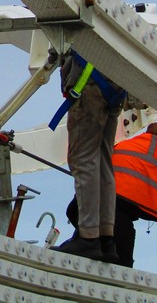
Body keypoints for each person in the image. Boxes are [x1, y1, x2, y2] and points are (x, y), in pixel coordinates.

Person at [64, 123, 157, 267]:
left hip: (89, 199)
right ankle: (118, 261)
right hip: (123, 199)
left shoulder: (125, 144)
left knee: (91, 233)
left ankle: (84, 245)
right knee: (121, 251)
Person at [49, 49, 127, 262]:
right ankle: (105, 237)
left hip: (90, 81)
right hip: (114, 85)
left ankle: (89, 237)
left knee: (83, 159)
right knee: (102, 161)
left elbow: (63, 38)